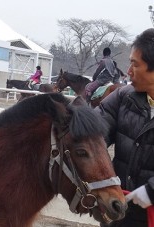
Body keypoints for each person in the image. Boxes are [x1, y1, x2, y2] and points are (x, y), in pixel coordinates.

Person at [96, 28, 154, 227]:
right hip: (119, 211)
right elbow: (94, 134)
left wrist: (152, 190)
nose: (128, 72)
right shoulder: (123, 98)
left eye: (134, 64)